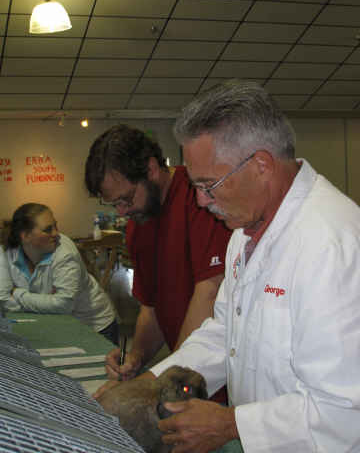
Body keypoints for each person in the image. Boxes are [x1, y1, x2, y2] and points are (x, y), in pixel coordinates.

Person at [96, 79, 360, 453]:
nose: (202, 202)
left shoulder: (333, 245)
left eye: (209, 184)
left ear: (262, 165)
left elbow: (345, 411)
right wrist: (146, 384)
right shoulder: (245, 231)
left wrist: (232, 423)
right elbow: (224, 334)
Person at [84, 125, 232, 402]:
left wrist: (151, 384)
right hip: (181, 372)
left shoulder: (199, 199)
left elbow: (210, 292)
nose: (122, 211)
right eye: (114, 205)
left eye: (126, 199)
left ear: (152, 170)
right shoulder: (139, 225)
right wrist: (136, 358)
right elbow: (151, 308)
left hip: (219, 377)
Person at [0, 203, 119, 344]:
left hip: (95, 326)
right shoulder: (5, 252)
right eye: (48, 229)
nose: (56, 233)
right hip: (55, 324)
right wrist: (47, 302)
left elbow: (63, 305)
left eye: (55, 226)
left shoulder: (65, 253)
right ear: (25, 236)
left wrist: (18, 293)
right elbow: (4, 299)